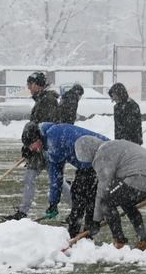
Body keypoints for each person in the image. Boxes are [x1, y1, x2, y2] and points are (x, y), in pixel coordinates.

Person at [77, 135, 146, 249]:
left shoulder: (102, 155)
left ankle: (119, 242)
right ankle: (144, 239)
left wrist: (95, 221)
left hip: (142, 177)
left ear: (88, 152)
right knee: (125, 200)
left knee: (106, 202)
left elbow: (103, 189)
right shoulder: (114, 145)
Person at [7, 72, 63, 221]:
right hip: (39, 149)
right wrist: (31, 144)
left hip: (48, 149)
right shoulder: (41, 100)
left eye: (31, 84)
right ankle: (23, 211)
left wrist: (39, 141)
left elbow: (48, 124)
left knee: (57, 181)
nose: (29, 88)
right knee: (30, 178)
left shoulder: (48, 100)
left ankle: (78, 207)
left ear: (39, 85)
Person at [29, 120, 107, 219]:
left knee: (82, 191)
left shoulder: (53, 139)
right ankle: (85, 219)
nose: (31, 149)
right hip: (91, 161)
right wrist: (53, 203)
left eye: (31, 145)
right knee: (81, 190)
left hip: (101, 157)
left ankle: (89, 221)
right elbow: (56, 177)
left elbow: (56, 175)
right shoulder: (50, 139)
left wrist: (54, 204)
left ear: (37, 139)